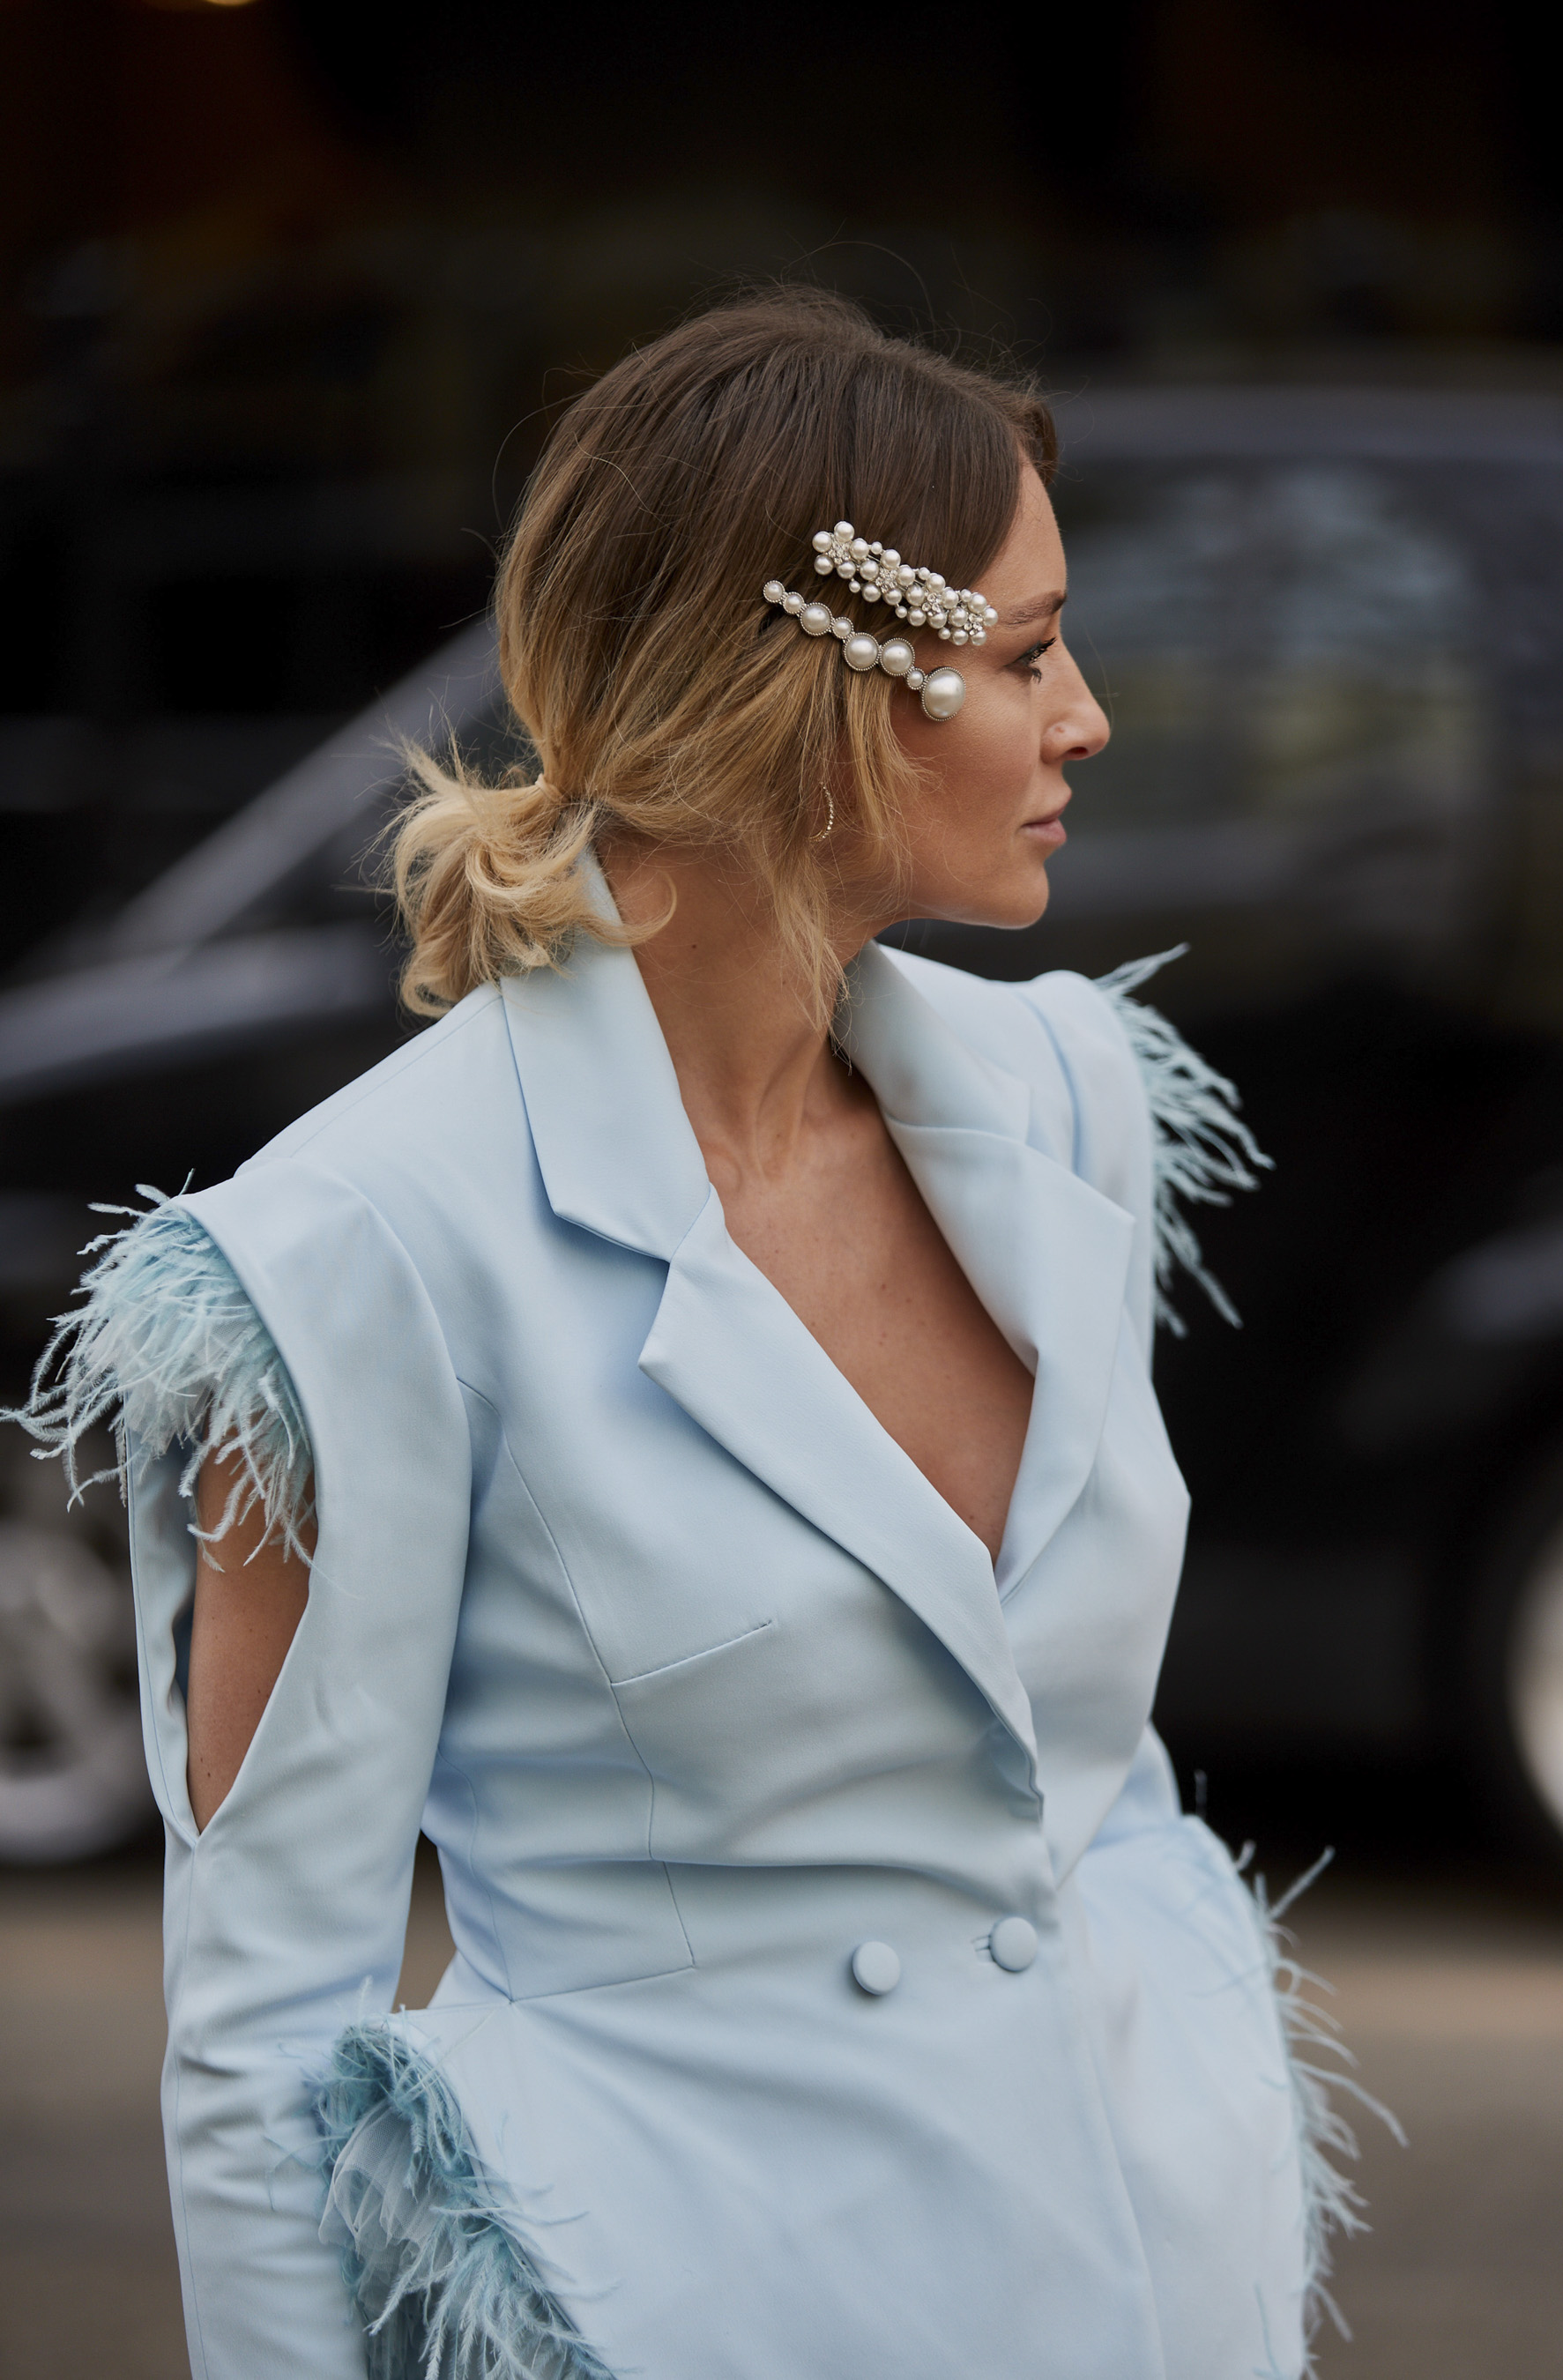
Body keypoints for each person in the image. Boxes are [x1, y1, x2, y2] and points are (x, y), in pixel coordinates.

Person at [12, 289, 1360, 2380]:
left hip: (1146, 2285)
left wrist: (1201, 2082)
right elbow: (267, 2032)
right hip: (705, 2315)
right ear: (814, 693)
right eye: (1025, 655)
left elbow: (1072, 1764)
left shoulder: (1067, 1098)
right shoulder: (361, 1254)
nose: (1088, 717)